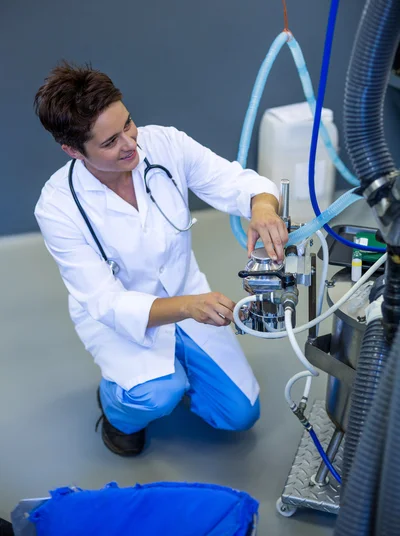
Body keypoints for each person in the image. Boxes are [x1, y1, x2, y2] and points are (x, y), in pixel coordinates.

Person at [34, 62, 288, 456]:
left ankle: (184, 375)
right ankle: (118, 413)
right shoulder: (58, 207)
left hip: (191, 297)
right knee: (159, 394)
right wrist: (187, 307)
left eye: (128, 124)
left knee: (240, 415)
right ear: (72, 150)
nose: (130, 143)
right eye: (109, 142)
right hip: (124, 321)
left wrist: (264, 208)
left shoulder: (165, 144)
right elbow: (106, 302)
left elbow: (237, 182)